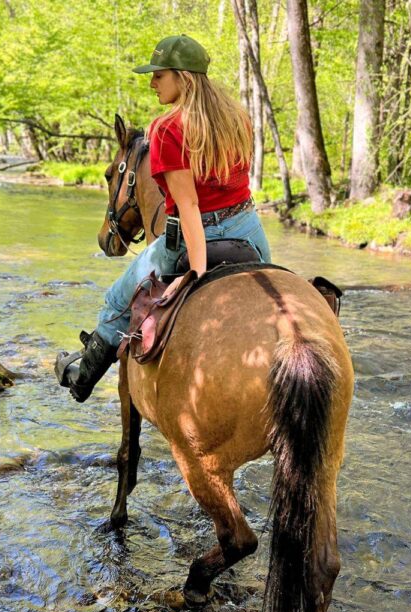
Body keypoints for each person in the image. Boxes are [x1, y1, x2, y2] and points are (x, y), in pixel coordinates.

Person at [55, 34, 271, 402]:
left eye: (159, 75)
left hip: (192, 235)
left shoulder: (168, 129)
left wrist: (198, 274)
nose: (152, 83)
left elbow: (189, 207)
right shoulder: (238, 118)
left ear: (183, 77)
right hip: (247, 228)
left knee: (114, 303)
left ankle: (81, 380)